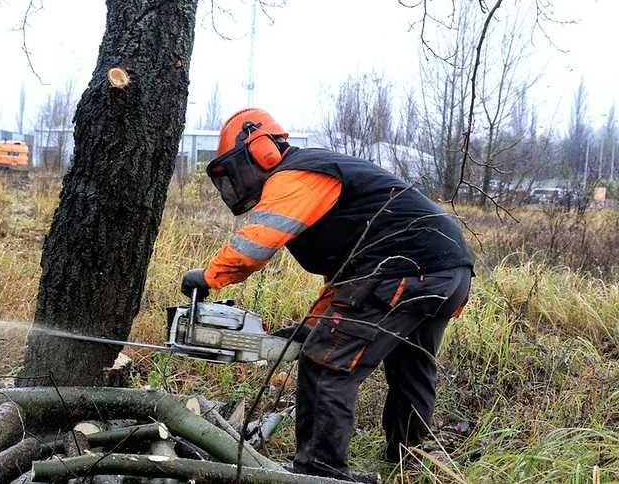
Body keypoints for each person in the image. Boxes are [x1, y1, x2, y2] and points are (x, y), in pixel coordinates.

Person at [181, 108, 473, 478]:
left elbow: (254, 246)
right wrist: (314, 325)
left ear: (261, 150)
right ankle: (410, 458)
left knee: (326, 363)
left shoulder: (295, 175)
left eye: (234, 170)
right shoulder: (322, 174)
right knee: (409, 366)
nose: (235, 182)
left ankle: (320, 472)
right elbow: (350, 280)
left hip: (403, 270)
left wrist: (207, 277)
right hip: (446, 272)